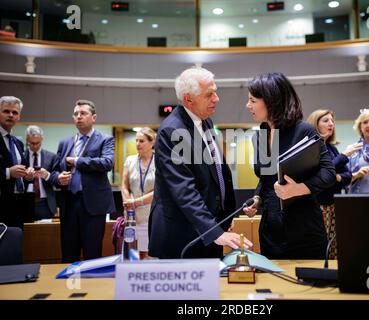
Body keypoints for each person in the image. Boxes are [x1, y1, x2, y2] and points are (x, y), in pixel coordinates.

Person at [148, 66, 252, 259]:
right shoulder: (172, 131)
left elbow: (216, 173)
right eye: (209, 94)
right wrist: (213, 231)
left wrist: (226, 216)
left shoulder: (206, 121)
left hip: (208, 228)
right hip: (182, 236)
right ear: (189, 99)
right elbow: (184, 190)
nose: (216, 99)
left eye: (215, 92)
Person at [243, 73, 336, 260]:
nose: (248, 105)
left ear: (271, 101)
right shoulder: (260, 135)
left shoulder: (304, 131)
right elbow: (267, 178)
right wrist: (257, 198)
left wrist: (298, 189)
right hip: (271, 232)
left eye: (252, 100)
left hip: (304, 231)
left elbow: (328, 173)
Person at [50, 100, 115, 262]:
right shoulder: (65, 142)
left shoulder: (105, 139)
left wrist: (78, 161)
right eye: (76, 114)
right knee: (68, 252)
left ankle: (92, 287)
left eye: (83, 113)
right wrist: (59, 178)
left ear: (93, 117)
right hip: (69, 202)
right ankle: (68, 287)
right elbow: (56, 169)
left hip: (93, 204)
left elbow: (107, 163)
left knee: (92, 253)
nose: (79, 117)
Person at [306, 109, 361, 259]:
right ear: (315, 124)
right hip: (319, 206)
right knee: (322, 246)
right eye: (325, 121)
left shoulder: (331, 147)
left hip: (333, 204)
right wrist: (344, 156)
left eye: (332, 121)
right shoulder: (311, 148)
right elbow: (320, 174)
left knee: (334, 246)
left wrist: (335, 177)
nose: (331, 124)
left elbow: (348, 175)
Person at [121, 127, 156, 259]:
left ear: (152, 143)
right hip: (132, 215)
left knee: (150, 255)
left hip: (151, 214)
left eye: (141, 141)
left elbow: (159, 191)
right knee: (133, 254)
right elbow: (124, 185)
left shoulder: (159, 162)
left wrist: (136, 202)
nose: (137, 144)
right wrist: (127, 203)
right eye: (136, 140)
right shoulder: (130, 160)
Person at [0, 96, 29, 229]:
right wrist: (8, 172)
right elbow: (11, 172)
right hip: (2, 203)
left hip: (18, 203)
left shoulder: (17, 143)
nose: (11, 115)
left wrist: (27, 175)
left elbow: (22, 170)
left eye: (15, 112)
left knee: (15, 245)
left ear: (19, 117)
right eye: (6, 111)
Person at [24, 125, 59, 220]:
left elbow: (58, 181)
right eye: (31, 143)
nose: (35, 146)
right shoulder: (21, 157)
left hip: (46, 203)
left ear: (42, 139)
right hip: (25, 202)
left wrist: (47, 175)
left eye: (38, 143)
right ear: (27, 139)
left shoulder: (52, 157)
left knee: (46, 233)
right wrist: (25, 177)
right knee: (26, 233)